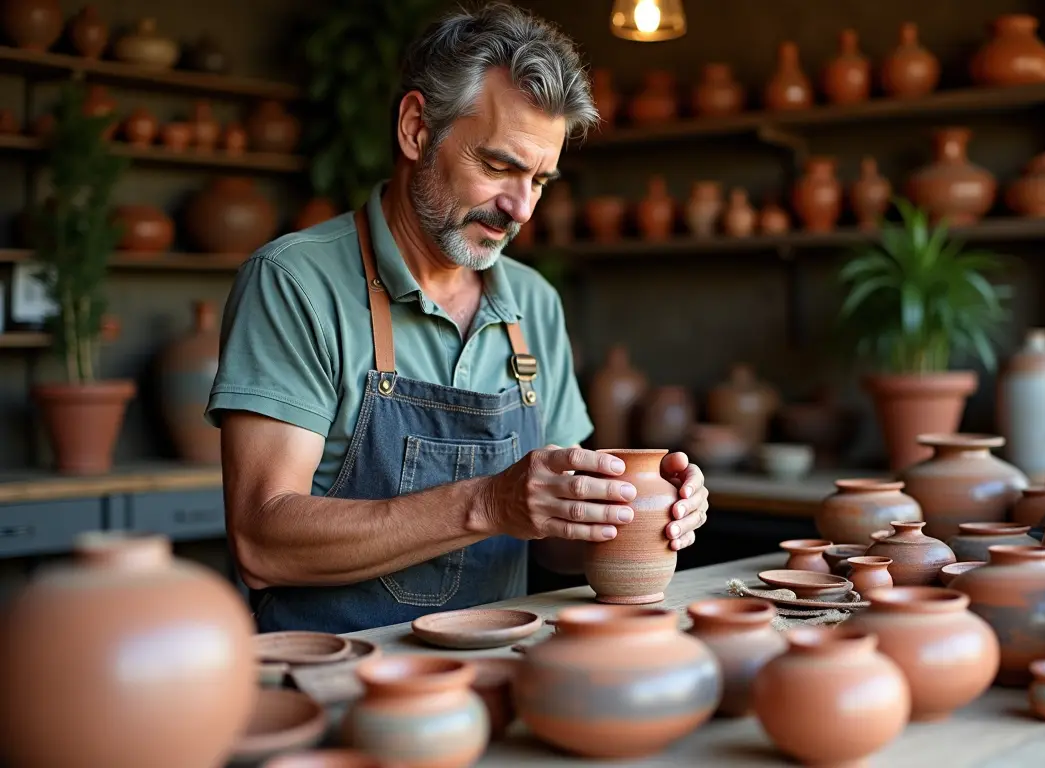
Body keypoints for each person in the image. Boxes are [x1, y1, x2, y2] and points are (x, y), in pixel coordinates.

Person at [206, 3, 710, 634]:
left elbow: (556, 545)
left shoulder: (533, 303)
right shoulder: (295, 283)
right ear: (417, 129)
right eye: (498, 167)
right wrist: (489, 502)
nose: (521, 208)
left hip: (498, 670)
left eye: (540, 180)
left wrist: (626, 512)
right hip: (335, 675)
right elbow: (261, 541)